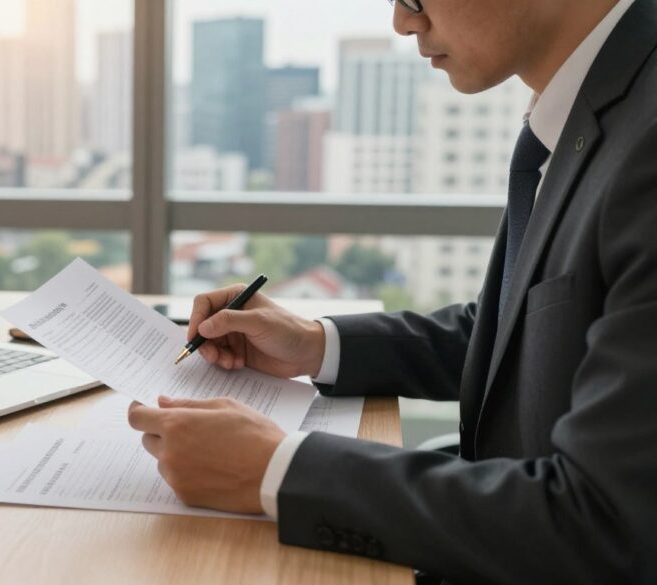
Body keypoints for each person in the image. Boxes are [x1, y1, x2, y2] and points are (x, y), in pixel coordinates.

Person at [127, 0, 657, 582]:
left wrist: (276, 468)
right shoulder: (602, 103)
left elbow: (605, 524)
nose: (403, 22)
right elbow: (526, 329)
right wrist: (316, 344)